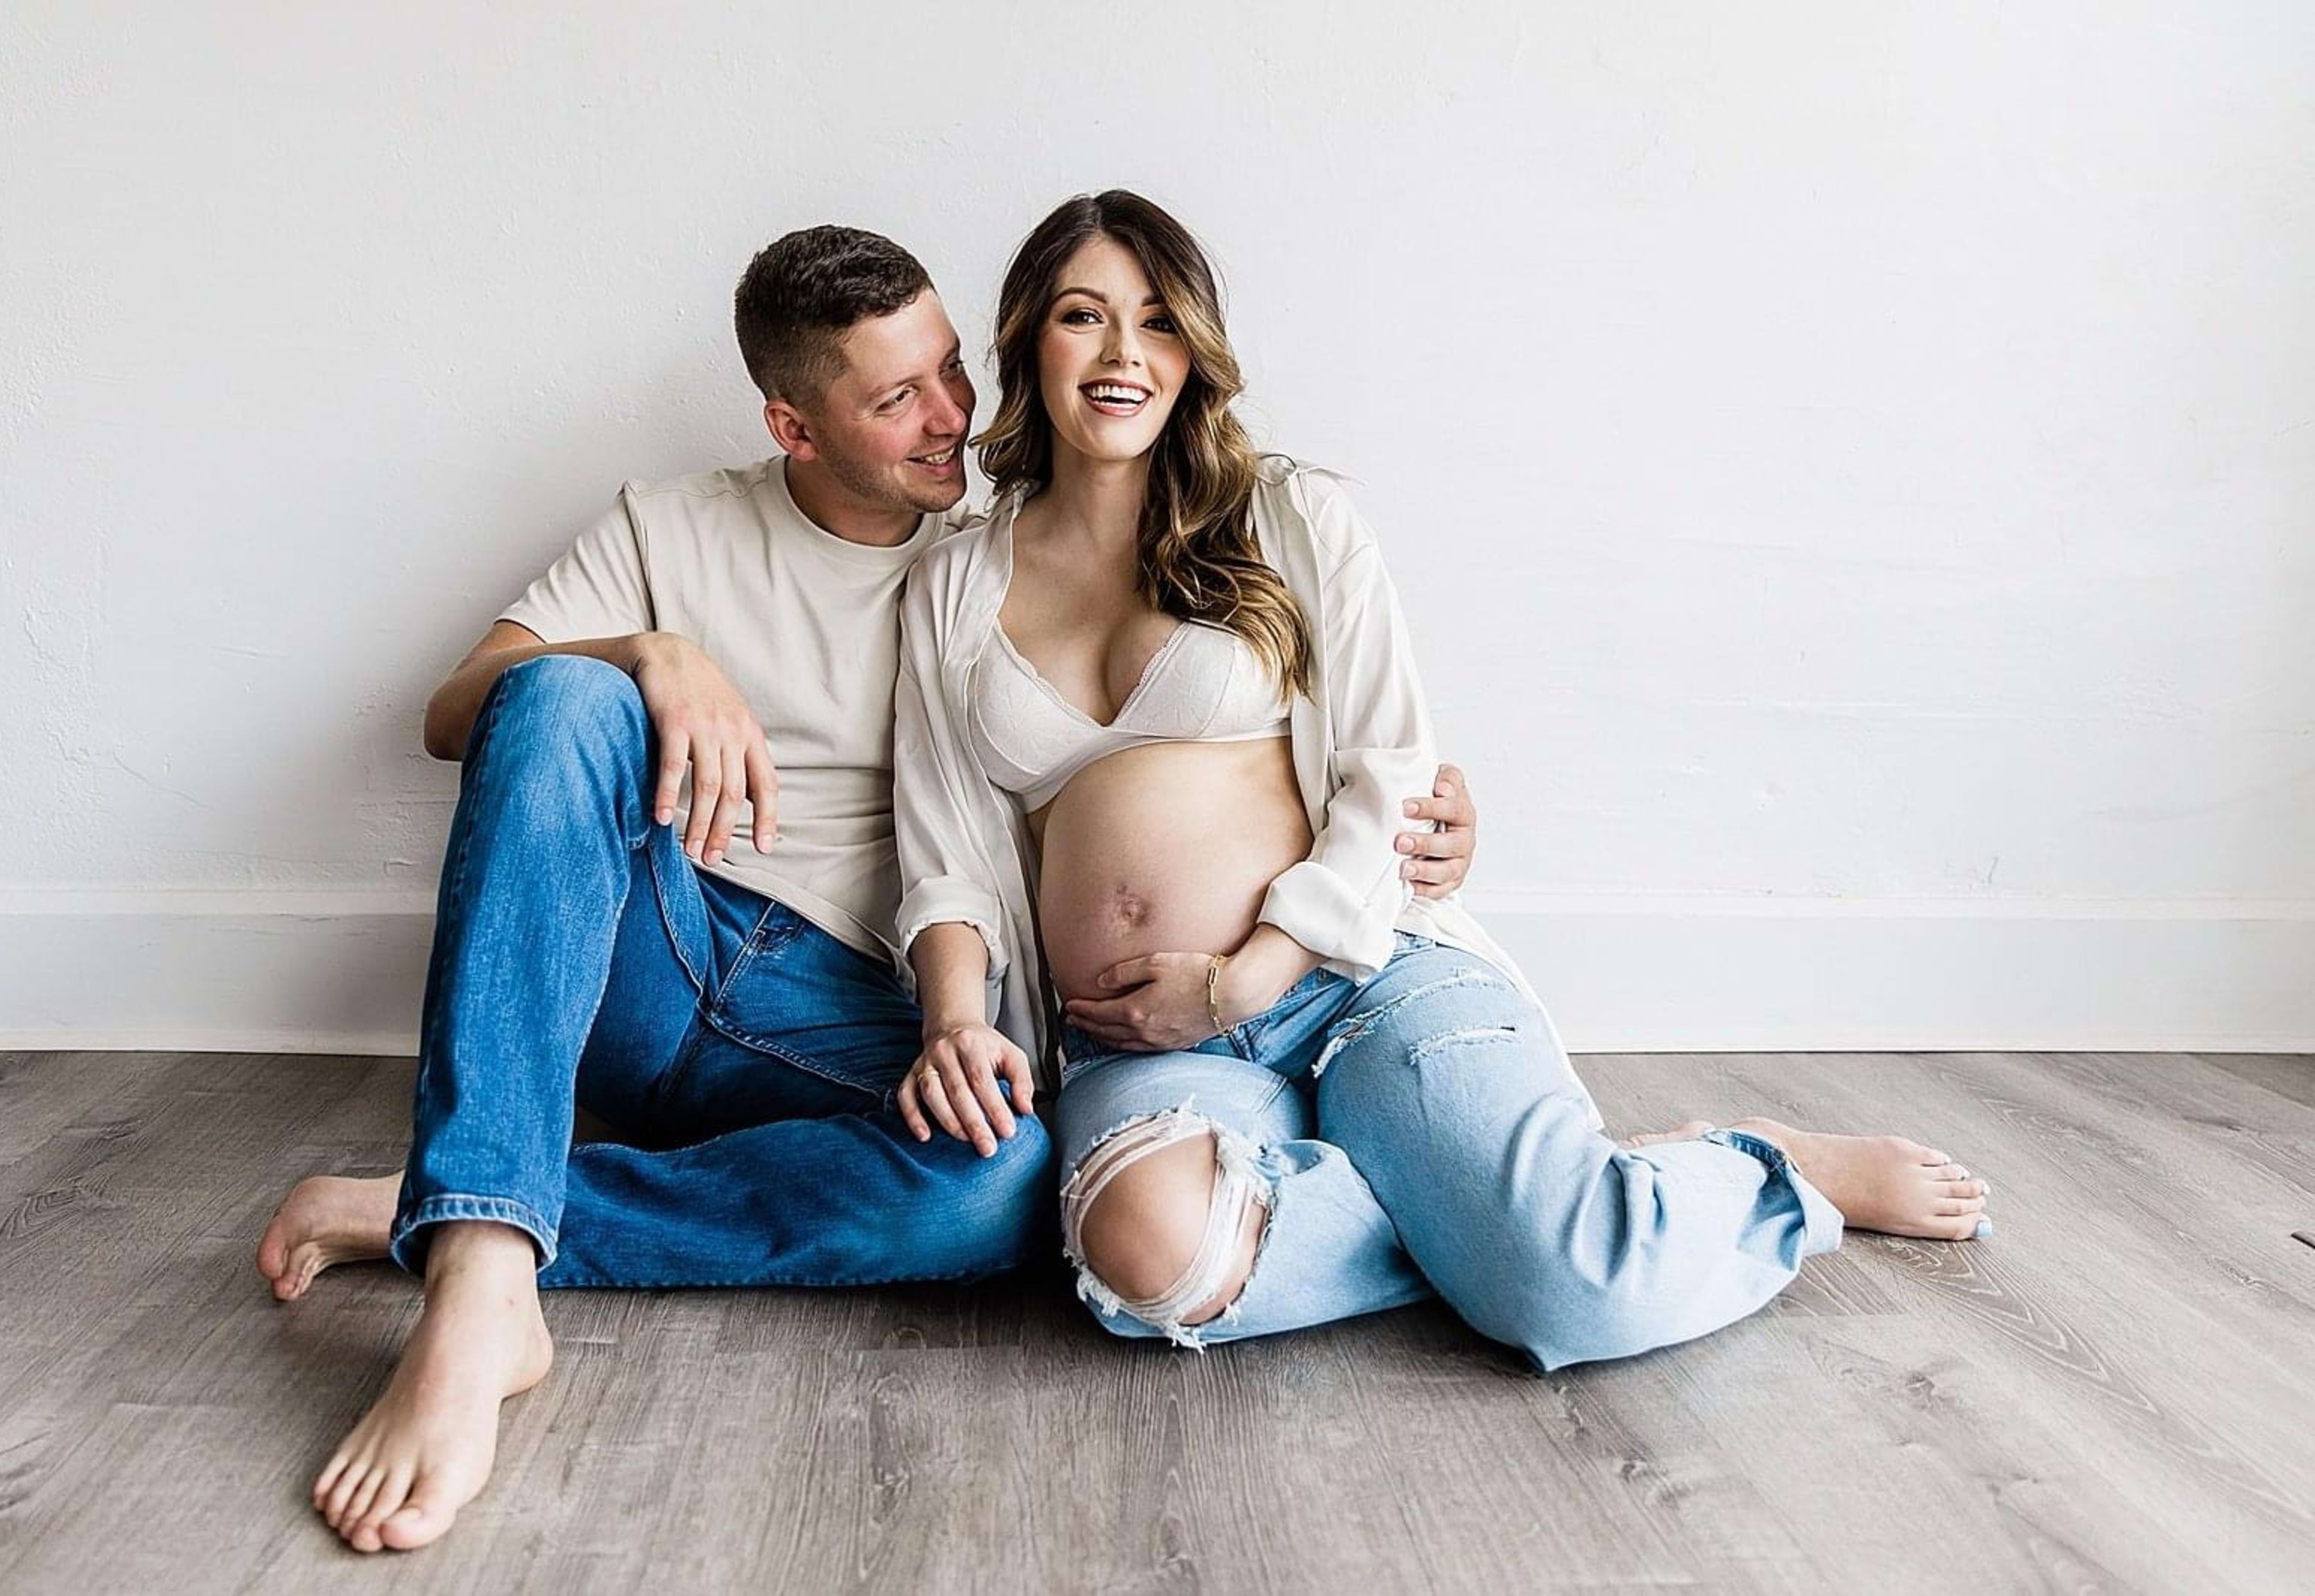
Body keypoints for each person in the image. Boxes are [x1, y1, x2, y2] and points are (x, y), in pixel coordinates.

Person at [251, 224, 1485, 1554]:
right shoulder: (669, 529)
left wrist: (1418, 824)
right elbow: (451, 714)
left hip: (854, 1003)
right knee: (556, 696)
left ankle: (459, 1207)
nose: (950, 418)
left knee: (1007, 1180)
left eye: (951, 370)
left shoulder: (1020, 545)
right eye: (895, 399)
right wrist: (647, 654)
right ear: (794, 423)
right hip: (650, 947)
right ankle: (482, 1281)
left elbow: (1228, 726)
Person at [891, 189, 1991, 1362]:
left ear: (1194, 352)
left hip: (1356, 979)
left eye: (1158, 322)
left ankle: (1745, 1170)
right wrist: (957, 1017)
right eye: (1083, 316)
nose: (1123, 355)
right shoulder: (955, 582)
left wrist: (1245, 978)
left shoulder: (1289, 517)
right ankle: (1552, 1200)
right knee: (1156, 1264)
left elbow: (1389, 774)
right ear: (1026, 340)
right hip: (1142, 1041)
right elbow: (947, 848)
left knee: (1575, 1296)